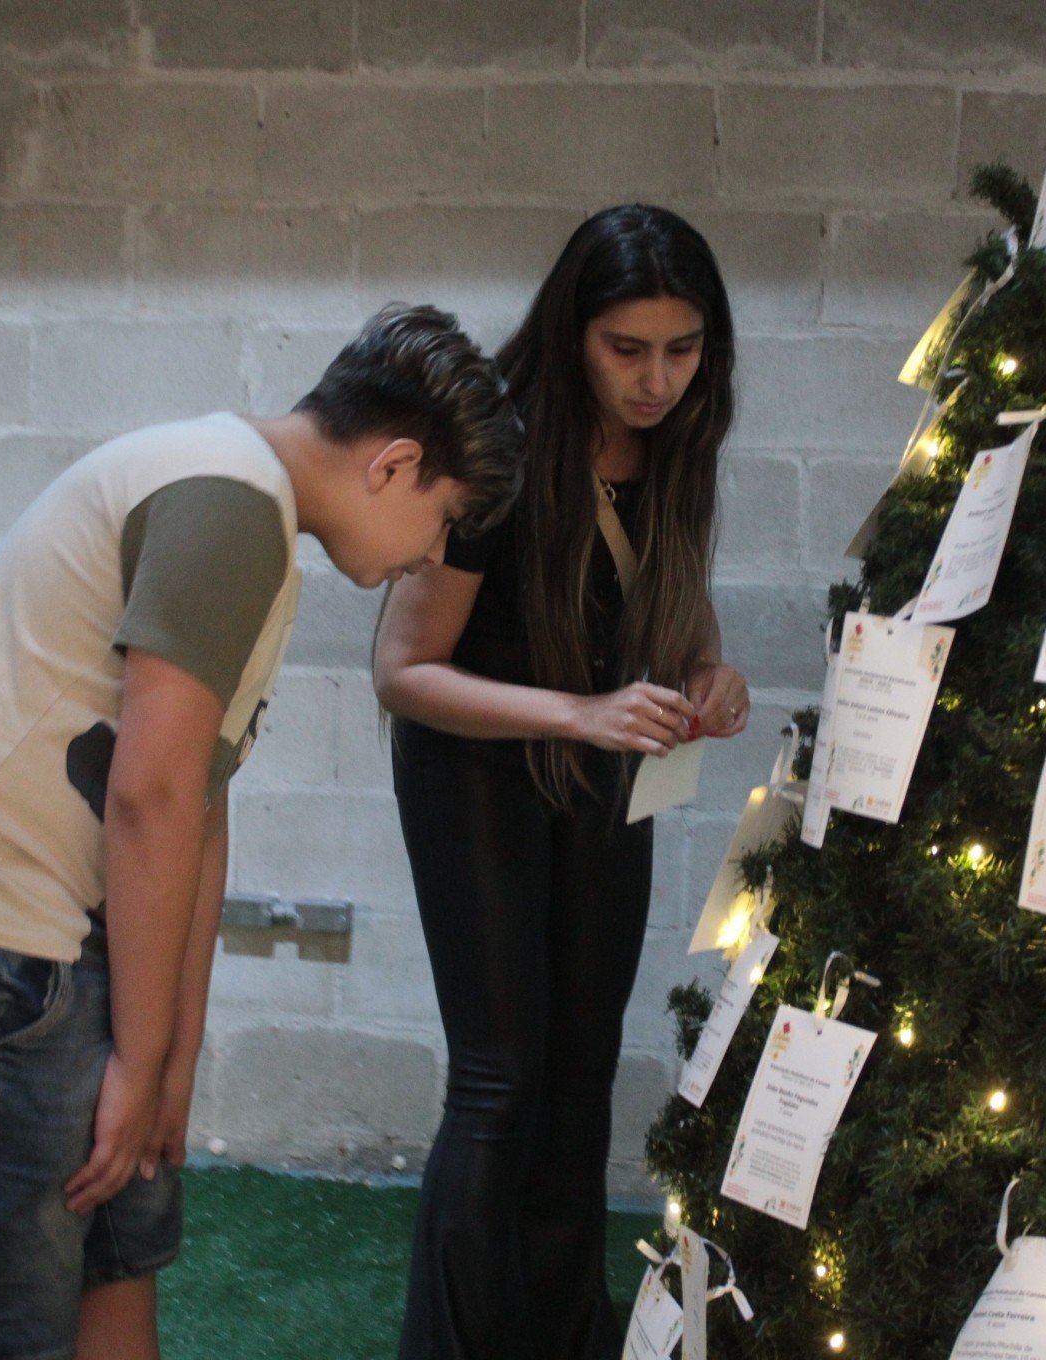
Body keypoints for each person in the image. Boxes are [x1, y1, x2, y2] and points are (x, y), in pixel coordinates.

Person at [0, 304, 522, 1360]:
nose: (432, 555)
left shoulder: (259, 519)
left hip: (44, 920)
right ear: (395, 464)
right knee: (10, 1324)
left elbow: (197, 798)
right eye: (443, 519)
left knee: (120, 1249)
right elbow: (146, 796)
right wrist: (141, 1056)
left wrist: (172, 1054)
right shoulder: (230, 499)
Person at [374, 205, 752, 1359]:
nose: (655, 379)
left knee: (583, 1068)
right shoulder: (498, 444)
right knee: (500, 1080)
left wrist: (705, 674)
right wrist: (581, 711)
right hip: (473, 767)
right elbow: (402, 670)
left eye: (682, 350)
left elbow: (655, 607)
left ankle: (563, 1337)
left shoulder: (680, 442)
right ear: (573, 333)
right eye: (626, 348)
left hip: (602, 773)